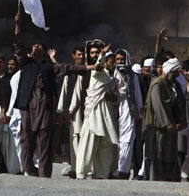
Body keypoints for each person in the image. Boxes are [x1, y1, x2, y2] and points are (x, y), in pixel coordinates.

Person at [13, 13, 101, 178]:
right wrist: (17, 24)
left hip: (45, 107)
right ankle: (29, 170)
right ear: (30, 52)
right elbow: (18, 45)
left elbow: (69, 68)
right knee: (26, 141)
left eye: (40, 46)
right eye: (34, 46)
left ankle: (44, 173)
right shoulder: (26, 63)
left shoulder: (49, 67)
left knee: (45, 141)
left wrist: (91, 68)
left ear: (45, 52)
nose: (36, 47)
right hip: (28, 106)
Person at [75, 47, 119, 180]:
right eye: (111, 62)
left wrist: (113, 97)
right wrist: (102, 54)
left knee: (106, 145)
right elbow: (98, 66)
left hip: (107, 114)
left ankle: (102, 174)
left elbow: (117, 95)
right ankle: (81, 173)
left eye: (114, 62)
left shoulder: (113, 78)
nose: (113, 64)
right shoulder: (99, 73)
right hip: (95, 113)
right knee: (88, 144)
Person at [144, 58, 184, 181]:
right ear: (170, 71)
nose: (178, 75)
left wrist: (180, 122)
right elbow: (157, 106)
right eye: (176, 72)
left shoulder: (173, 84)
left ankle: (169, 178)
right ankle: (156, 179)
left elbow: (178, 104)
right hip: (158, 127)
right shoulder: (157, 84)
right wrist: (166, 123)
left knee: (170, 154)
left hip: (170, 127)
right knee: (158, 153)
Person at [112, 48, 144, 180]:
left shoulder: (133, 76)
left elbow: (137, 95)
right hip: (113, 107)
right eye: (117, 59)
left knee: (127, 139)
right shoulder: (110, 74)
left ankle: (123, 170)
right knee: (114, 139)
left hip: (128, 109)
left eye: (122, 59)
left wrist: (139, 113)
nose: (120, 62)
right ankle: (112, 168)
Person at [56, 46, 84, 177]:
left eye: (82, 55)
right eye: (78, 55)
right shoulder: (70, 72)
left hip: (84, 109)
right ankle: (73, 165)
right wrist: (61, 111)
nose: (81, 57)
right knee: (72, 138)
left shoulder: (88, 71)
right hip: (71, 112)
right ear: (74, 56)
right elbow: (64, 91)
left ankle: (83, 167)